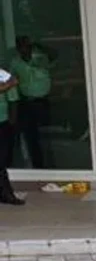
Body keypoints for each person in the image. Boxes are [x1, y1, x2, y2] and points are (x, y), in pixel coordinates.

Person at [10, 36, 55, 169]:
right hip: (27, 103)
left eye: (27, 46)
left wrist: (39, 45)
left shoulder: (41, 58)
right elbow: (12, 81)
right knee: (32, 137)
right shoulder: (15, 63)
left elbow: (54, 55)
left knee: (47, 136)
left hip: (43, 101)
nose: (24, 49)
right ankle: (38, 166)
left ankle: (51, 165)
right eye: (21, 46)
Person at [0, 69, 22, 205]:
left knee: (1, 159)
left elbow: (13, 98)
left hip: (2, 121)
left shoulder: (1, 73)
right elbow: (12, 83)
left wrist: (12, 123)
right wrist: (9, 84)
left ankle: (5, 193)